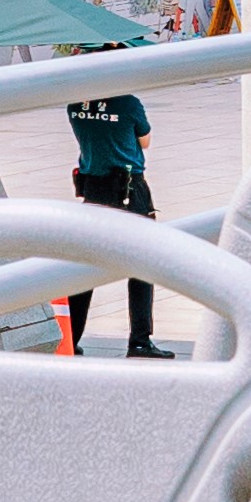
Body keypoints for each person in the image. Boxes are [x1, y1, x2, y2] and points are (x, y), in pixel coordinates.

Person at [66, 85, 162, 357]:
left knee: (86, 264)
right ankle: (140, 341)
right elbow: (145, 141)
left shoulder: (74, 105)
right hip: (130, 189)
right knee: (143, 265)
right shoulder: (128, 103)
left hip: (93, 189)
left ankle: (70, 338)